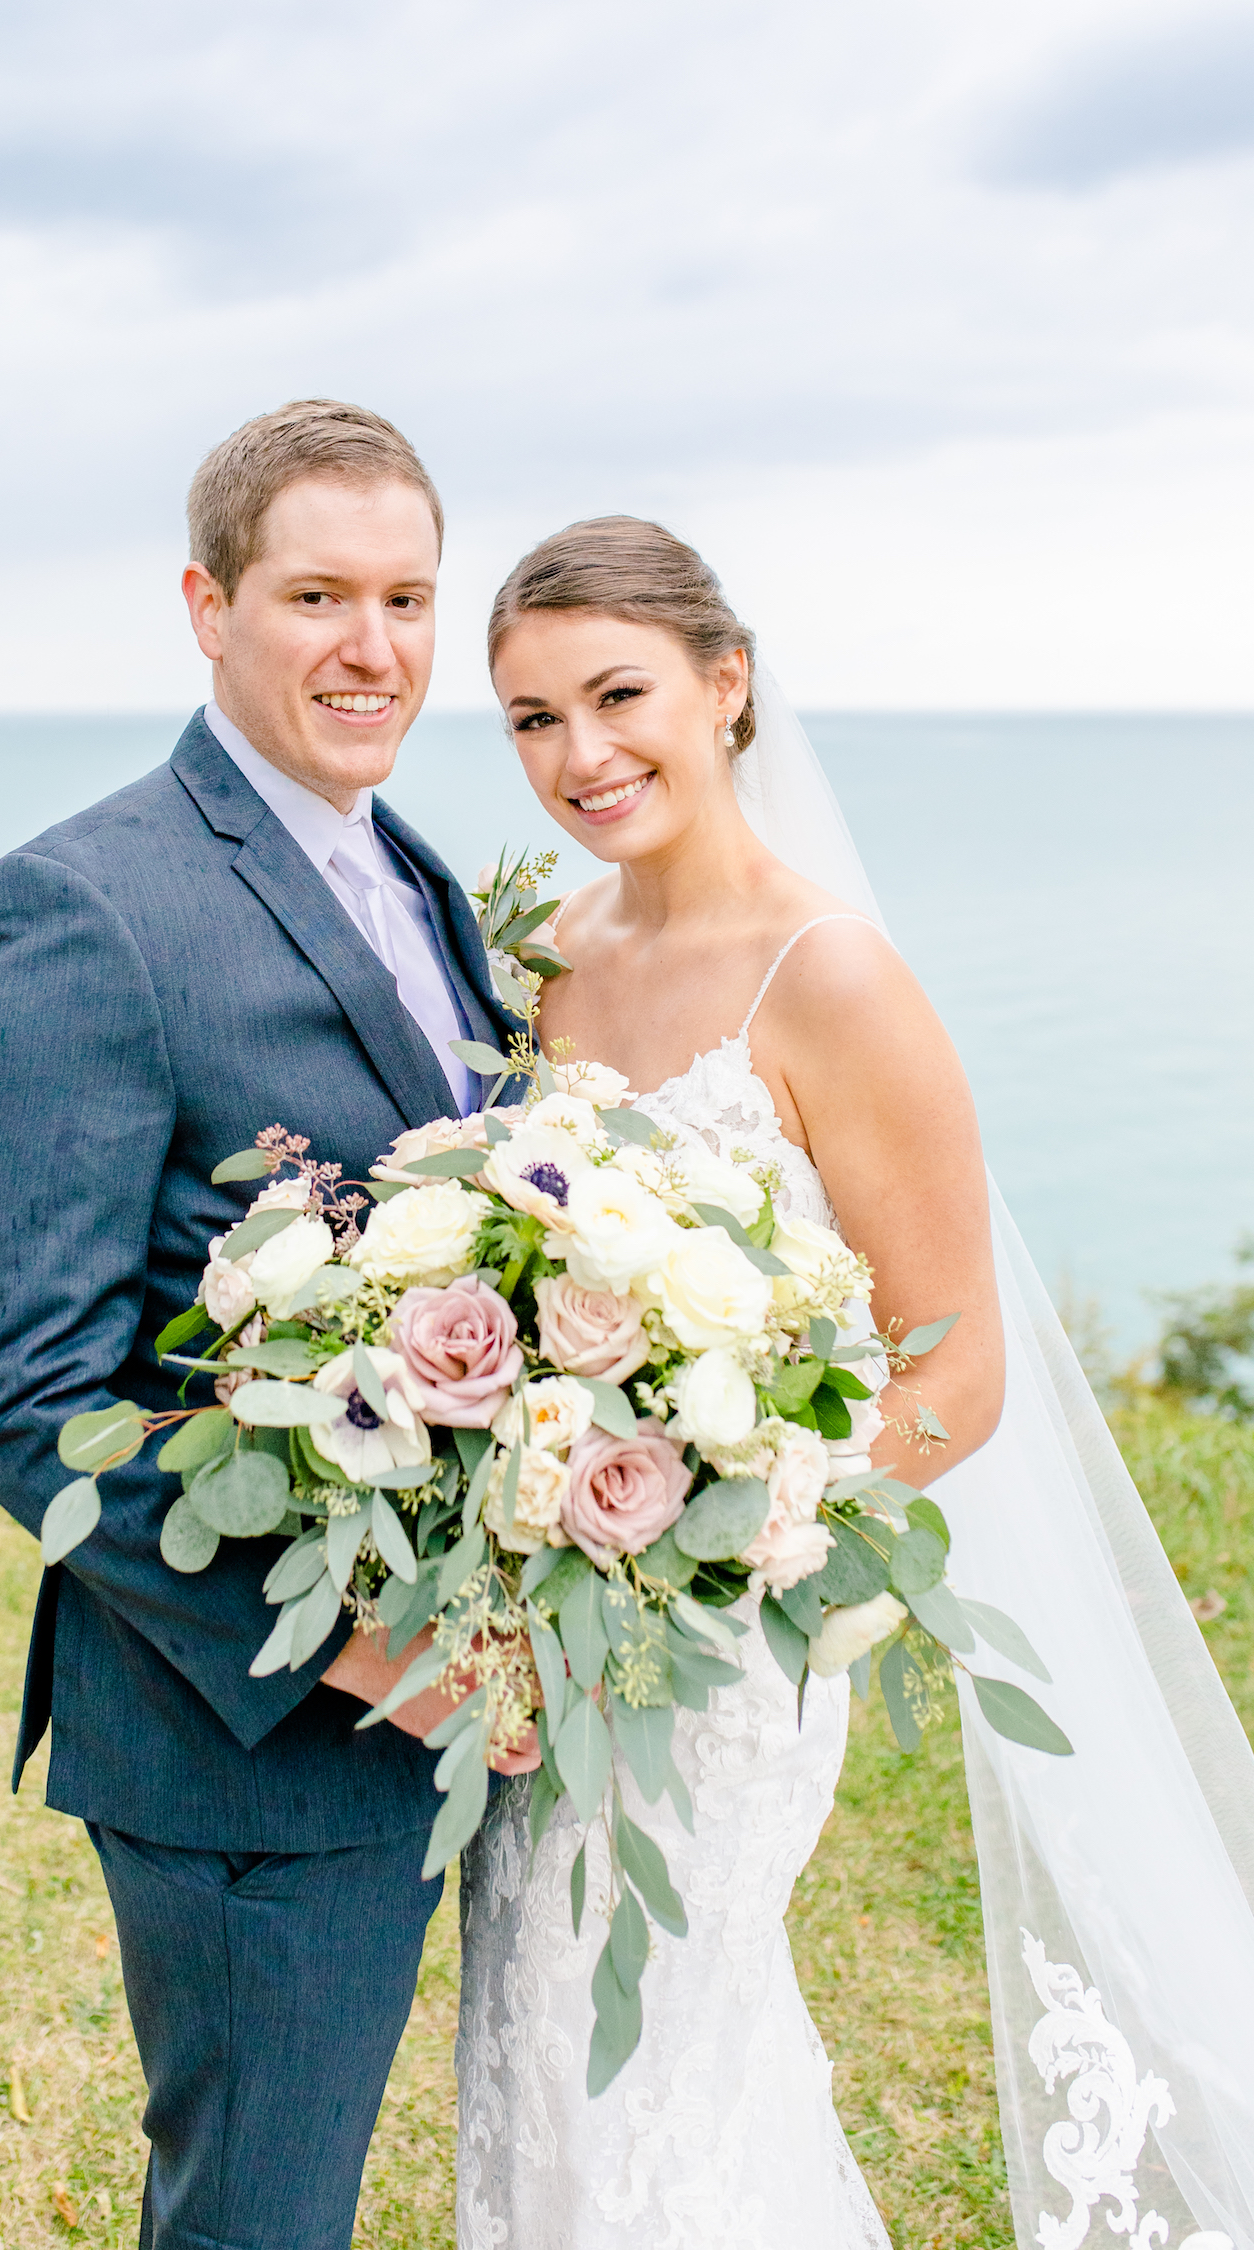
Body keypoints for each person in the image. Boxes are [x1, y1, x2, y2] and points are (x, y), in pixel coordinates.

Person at [455, 517, 1254, 2248]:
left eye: (616, 695)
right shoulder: (546, 956)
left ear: (725, 683)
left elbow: (955, 1367)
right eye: (528, 718)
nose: (578, 756)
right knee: (535, 2026)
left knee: (654, 2041)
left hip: (721, 1637)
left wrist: (717, 1535)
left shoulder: (834, 977)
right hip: (547, 1627)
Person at [0, 398, 534, 2250]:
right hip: (250, 1733)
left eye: (411, 599)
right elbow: (19, 1393)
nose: (375, 649)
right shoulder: (87, 899)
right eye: (318, 596)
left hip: (448, 1701)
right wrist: (363, 1655)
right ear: (208, 602)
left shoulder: (418, 874)